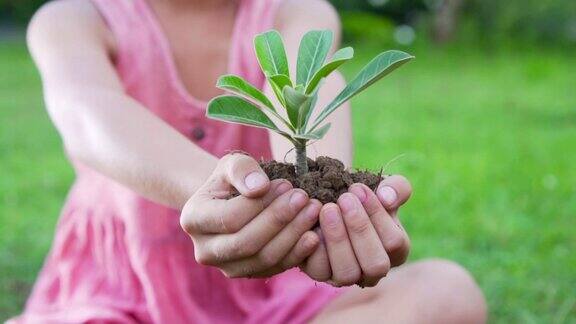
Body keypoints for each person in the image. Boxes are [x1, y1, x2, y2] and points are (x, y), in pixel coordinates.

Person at [11, 0, 487, 322]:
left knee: (448, 293)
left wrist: (324, 214)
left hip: (276, 293)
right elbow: (90, 113)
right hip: (125, 293)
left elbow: (307, 93)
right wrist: (220, 189)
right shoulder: (74, 17)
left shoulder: (294, 11)